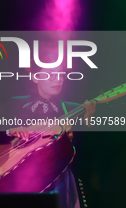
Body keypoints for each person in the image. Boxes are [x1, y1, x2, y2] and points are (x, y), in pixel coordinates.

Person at [6, 54, 96, 208]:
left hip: (60, 178)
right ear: (35, 77)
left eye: (61, 74)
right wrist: (10, 132)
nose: (58, 79)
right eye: (51, 74)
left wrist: (87, 123)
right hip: (24, 176)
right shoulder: (16, 103)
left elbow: (87, 156)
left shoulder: (74, 108)